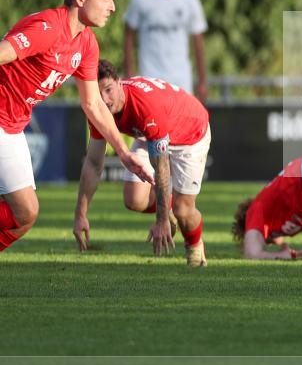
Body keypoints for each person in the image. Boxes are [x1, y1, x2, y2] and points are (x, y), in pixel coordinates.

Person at [0, 0, 154, 253]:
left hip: (13, 126)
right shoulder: (48, 28)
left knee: (24, 217)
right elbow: (4, 52)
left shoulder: (86, 43)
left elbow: (93, 103)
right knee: (24, 209)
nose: (113, 7)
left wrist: (123, 153)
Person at [72, 60, 211, 266]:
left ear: (119, 83)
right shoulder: (98, 109)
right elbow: (93, 162)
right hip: (151, 133)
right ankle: (168, 209)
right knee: (134, 199)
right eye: (99, 93)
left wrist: (161, 220)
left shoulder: (145, 107)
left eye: (109, 90)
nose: (105, 99)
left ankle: (194, 248)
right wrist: (80, 213)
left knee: (183, 210)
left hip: (190, 133)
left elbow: (161, 165)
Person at [124, 0, 208, 101]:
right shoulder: (141, 0)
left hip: (180, 77)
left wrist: (202, 81)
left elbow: (198, 44)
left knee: (180, 121)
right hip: (149, 77)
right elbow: (129, 36)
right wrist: (129, 72)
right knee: (150, 121)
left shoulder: (190, 1)